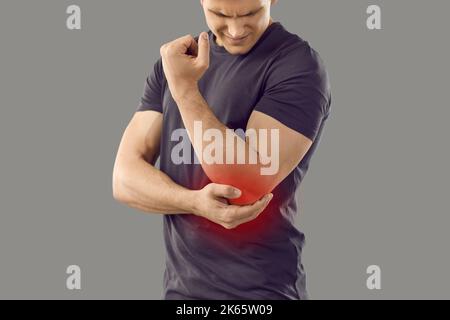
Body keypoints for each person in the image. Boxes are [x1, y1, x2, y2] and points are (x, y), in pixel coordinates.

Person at [112, 0, 331, 300]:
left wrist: (186, 91)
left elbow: (245, 185)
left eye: (251, 14)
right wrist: (193, 202)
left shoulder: (297, 66)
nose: (236, 29)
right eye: (220, 15)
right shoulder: (176, 65)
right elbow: (124, 179)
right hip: (181, 295)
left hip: (262, 295)